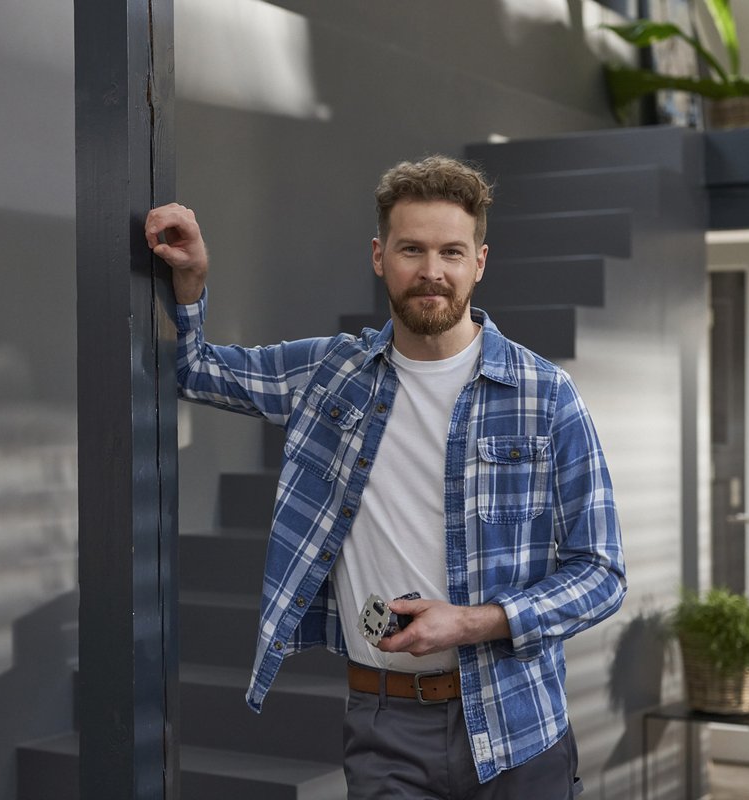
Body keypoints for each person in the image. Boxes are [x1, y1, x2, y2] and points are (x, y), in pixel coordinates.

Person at [144, 155, 627, 799]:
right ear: (379, 257)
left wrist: (471, 622)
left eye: (452, 251)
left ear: (479, 262)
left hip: (519, 726)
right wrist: (193, 280)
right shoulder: (330, 375)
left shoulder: (545, 395)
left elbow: (602, 573)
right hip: (384, 726)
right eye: (412, 249)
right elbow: (194, 369)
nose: (432, 271)